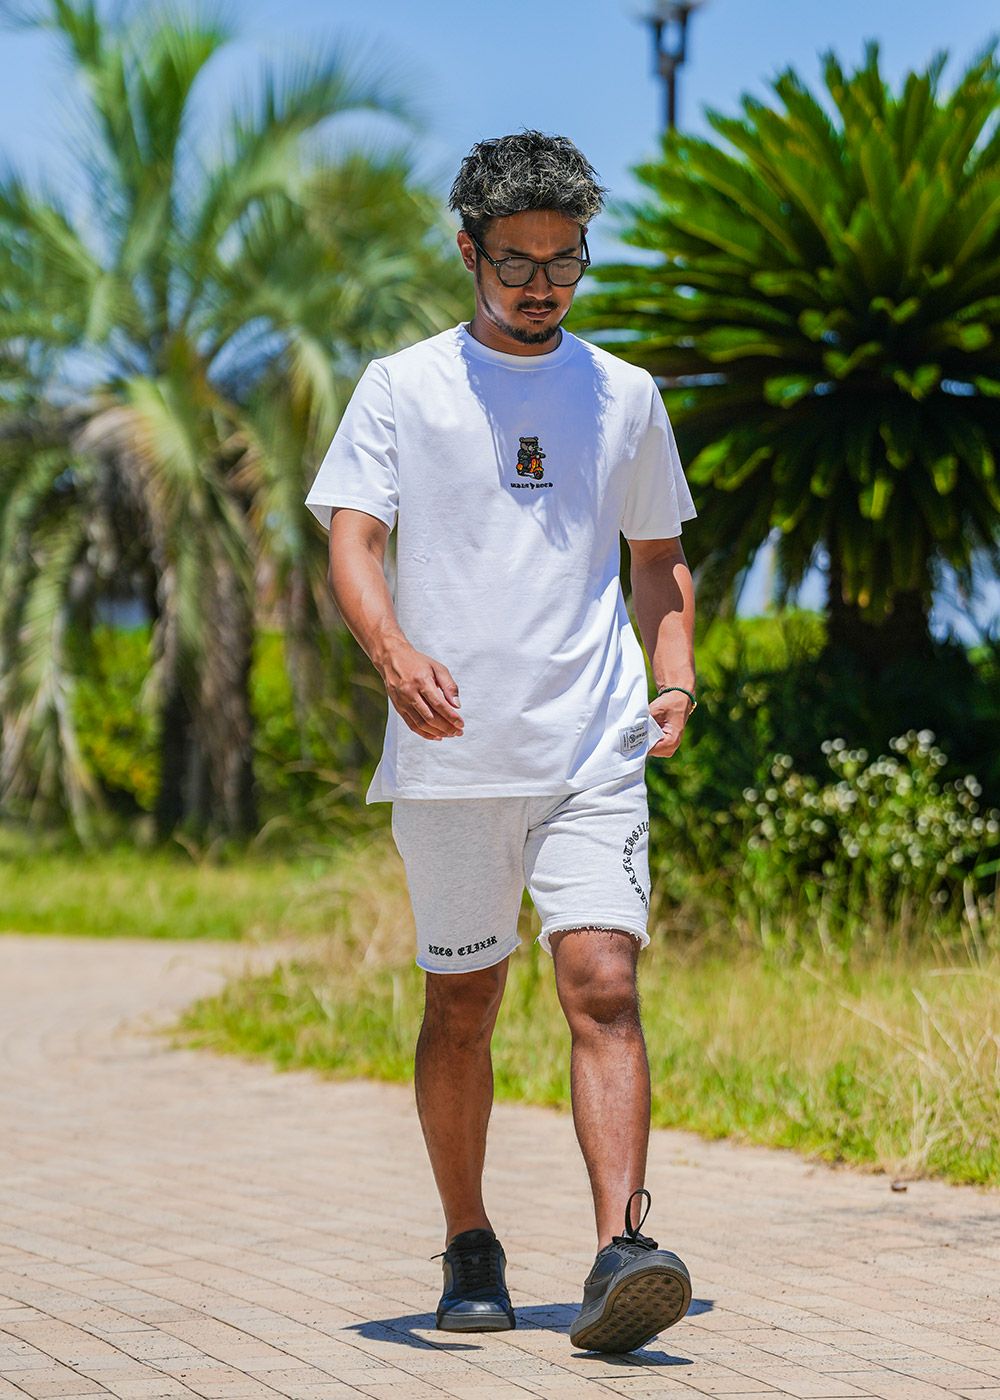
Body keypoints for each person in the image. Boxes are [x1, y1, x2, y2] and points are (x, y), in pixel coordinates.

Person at [304, 130, 698, 1356]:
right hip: (452, 757)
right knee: (463, 1002)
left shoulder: (624, 394)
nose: (542, 285)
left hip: (591, 740)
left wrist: (675, 675)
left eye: (563, 260)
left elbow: (656, 557)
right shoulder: (401, 386)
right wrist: (391, 651)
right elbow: (354, 539)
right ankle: (469, 1238)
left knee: (604, 984)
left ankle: (621, 1249)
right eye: (517, 261)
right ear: (468, 251)